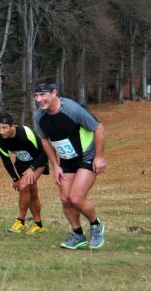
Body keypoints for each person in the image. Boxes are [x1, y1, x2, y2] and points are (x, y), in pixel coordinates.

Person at [33, 77, 106, 249]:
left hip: (87, 156)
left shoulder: (73, 110)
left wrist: (99, 157)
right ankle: (78, 235)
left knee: (76, 198)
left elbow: (99, 128)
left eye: (42, 94)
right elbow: (45, 141)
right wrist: (56, 165)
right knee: (66, 200)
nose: (38, 99)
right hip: (67, 161)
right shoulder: (39, 116)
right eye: (36, 95)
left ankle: (96, 225)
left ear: (54, 93)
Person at [0, 113, 48, 234]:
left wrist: (33, 167)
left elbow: (45, 152)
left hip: (38, 162)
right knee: (31, 193)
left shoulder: (26, 133)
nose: (1, 131)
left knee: (24, 187)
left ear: (12, 127)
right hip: (21, 165)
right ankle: (38, 225)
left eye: (4, 128)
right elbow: (6, 160)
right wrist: (15, 178)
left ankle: (20, 222)